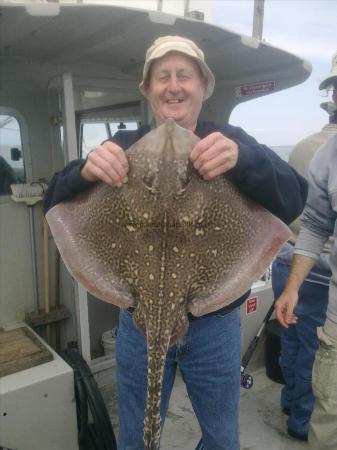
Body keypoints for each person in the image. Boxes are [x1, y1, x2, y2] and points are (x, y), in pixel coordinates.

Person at [44, 36, 307, 450]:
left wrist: (244, 159)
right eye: (161, 77)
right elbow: (54, 201)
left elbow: (295, 197)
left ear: (204, 86)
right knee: (136, 437)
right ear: (147, 90)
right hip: (138, 320)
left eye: (184, 76)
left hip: (216, 321)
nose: (173, 86)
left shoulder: (228, 141)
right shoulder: (124, 146)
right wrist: (85, 171)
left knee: (222, 440)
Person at [272, 54, 337, 442]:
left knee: (294, 347)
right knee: (312, 355)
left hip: (286, 257)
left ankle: (292, 411)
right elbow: (316, 221)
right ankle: (300, 419)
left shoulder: (299, 147)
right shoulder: (327, 154)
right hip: (315, 271)